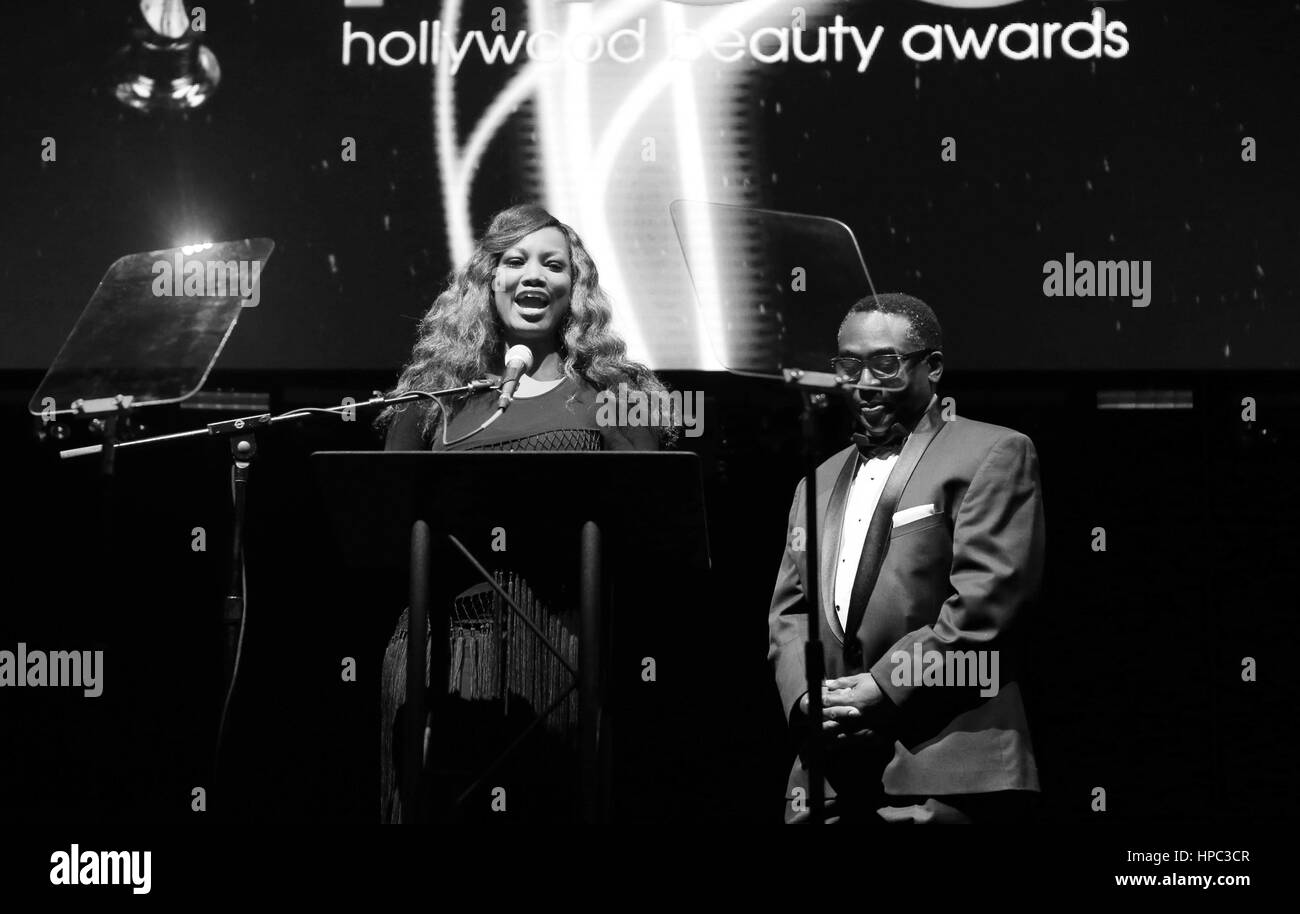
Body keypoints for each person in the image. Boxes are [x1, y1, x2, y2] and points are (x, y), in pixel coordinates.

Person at [376, 203, 671, 823]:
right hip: (438, 649)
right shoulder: (435, 397)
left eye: (553, 264)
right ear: (488, 280)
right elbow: (382, 514)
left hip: (559, 651)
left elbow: (656, 515)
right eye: (515, 261)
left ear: (576, 289)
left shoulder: (612, 393)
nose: (533, 274)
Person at [768, 292, 1044, 824]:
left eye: (885, 363)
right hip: (827, 773)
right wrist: (804, 699)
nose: (864, 382)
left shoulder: (994, 451)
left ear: (932, 367)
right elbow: (790, 611)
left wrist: (884, 684)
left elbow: (988, 603)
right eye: (849, 364)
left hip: (945, 761)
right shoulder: (818, 479)